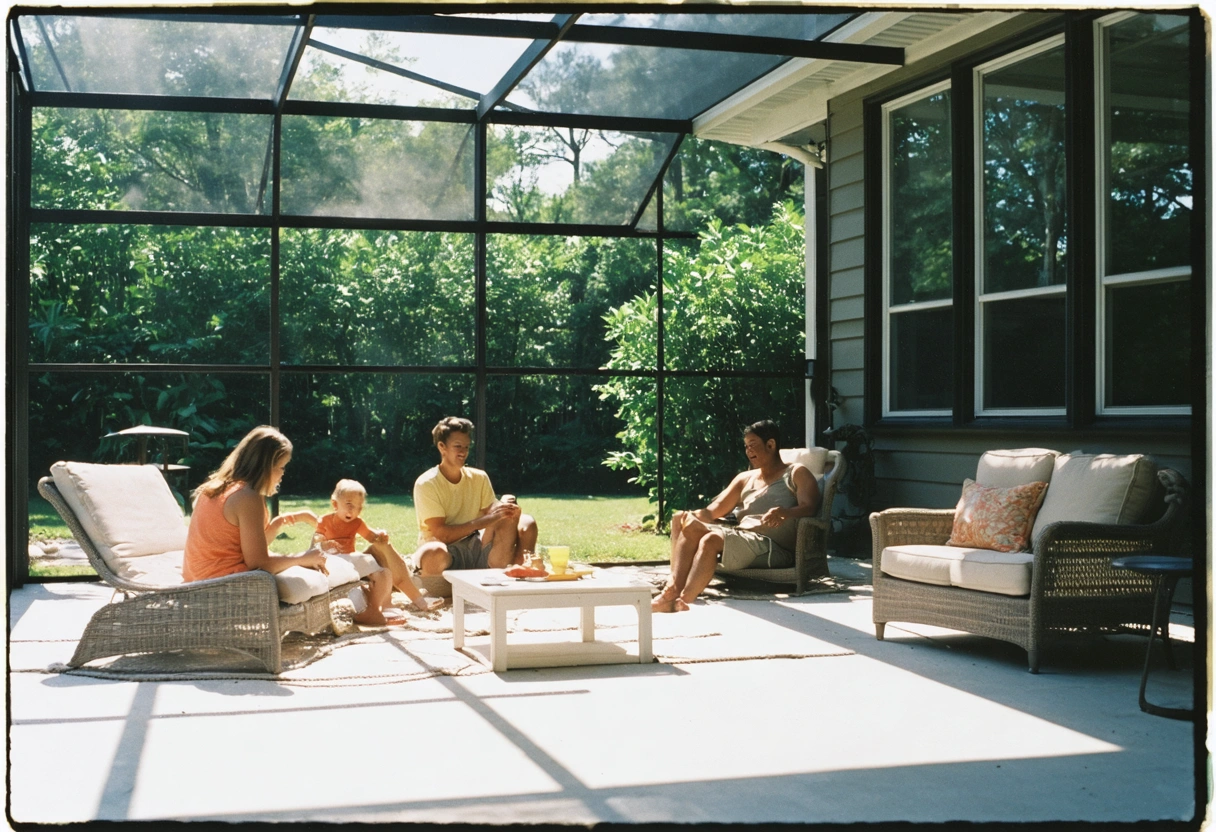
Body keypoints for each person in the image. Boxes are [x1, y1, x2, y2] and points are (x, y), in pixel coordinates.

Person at [182, 425, 398, 627]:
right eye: (281, 467)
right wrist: (304, 558)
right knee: (320, 563)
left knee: (310, 560)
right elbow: (258, 562)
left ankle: (366, 600)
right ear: (265, 466)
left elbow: (241, 547)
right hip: (228, 585)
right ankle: (367, 602)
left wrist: (278, 530)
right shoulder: (247, 497)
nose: (283, 474)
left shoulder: (214, 489)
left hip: (197, 581)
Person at [653, 420, 821, 613]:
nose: (748, 451)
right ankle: (671, 593)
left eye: (753, 445)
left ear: (771, 445)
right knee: (690, 526)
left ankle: (684, 600)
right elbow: (712, 511)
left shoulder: (795, 473)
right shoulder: (745, 479)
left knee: (711, 539)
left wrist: (785, 512)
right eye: (746, 446)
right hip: (743, 537)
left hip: (774, 547)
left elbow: (811, 508)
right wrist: (687, 515)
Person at [281, 479, 442, 612]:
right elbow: (317, 543)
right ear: (335, 504)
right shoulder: (326, 522)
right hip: (332, 563)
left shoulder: (357, 523)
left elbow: (371, 536)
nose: (353, 510)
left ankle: (415, 600)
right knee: (376, 561)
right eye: (349, 504)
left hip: (351, 562)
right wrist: (326, 543)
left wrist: (380, 536)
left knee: (383, 547)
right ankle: (389, 603)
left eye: (358, 507)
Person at [412, 416, 538, 576]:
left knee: (526, 521)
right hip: (444, 551)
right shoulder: (427, 483)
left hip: (478, 545)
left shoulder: (479, 477)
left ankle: (519, 573)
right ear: (442, 447)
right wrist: (483, 522)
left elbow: (493, 511)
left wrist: (506, 506)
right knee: (433, 552)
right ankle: (440, 584)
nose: (463, 452)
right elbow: (442, 535)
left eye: (466, 446)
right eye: (458, 446)